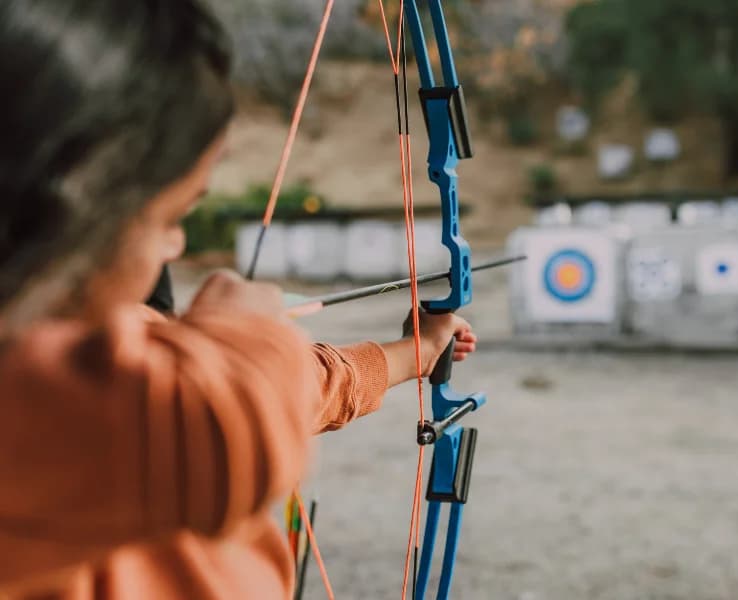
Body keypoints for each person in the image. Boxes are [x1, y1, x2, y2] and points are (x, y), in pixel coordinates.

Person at [0, 1, 477, 598]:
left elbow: (300, 385)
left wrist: (416, 351)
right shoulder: (50, 402)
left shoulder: (124, 358)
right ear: (74, 208)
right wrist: (242, 325)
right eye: (171, 217)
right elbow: (228, 415)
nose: (175, 245)